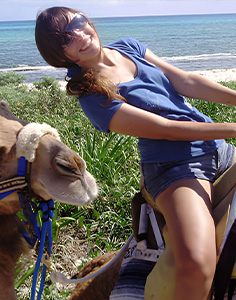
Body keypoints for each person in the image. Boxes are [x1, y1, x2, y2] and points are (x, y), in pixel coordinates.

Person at [35, 6, 236, 300]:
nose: (78, 34)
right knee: (196, 262)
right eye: (64, 38)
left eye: (78, 23)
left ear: (88, 21)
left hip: (216, 148)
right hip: (176, 167)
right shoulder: (92, 96)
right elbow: (168, 129)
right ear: (61, 56)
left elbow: (186, 81)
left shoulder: (129, 47)